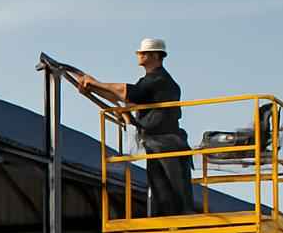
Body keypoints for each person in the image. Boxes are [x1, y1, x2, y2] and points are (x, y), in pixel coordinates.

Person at [73, 38, 194, 216]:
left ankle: (179, 220)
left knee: (171, 191)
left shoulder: (159, 80)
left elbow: (127, 93)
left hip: (166, 142)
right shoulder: (152, 81)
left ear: (155, 56)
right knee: (162, 190)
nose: (139, 55)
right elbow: (125, 98)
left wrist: (95, 84)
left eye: (143, 53)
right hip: (158, 142)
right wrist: (93, 88)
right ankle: (172, 220)